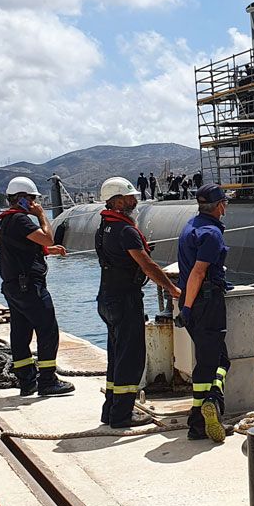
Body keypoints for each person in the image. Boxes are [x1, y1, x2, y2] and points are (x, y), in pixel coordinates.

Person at [95, 177, 183, 428]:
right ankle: (122, 415)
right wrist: (172, 289)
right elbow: (148, 266)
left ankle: (111, 409)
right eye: (130, 198)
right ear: (117, 201)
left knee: (116, 356)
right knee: (131, 358)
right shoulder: (126, 231)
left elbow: (119, 258)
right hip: (125, 300)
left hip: (107, 298)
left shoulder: (104, 227)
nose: (135, 201)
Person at [0, 177, 75, 398]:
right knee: (48, 330)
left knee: (20, 333)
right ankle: (48, 380)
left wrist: (48, 251)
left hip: (14, 287)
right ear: (22, 199)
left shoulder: (5, 220)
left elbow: (21, 247)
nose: (35, 203)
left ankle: (27, 381)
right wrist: (41, 215)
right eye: (32, 199)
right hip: (29, 287)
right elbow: (48, 237)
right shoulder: (20, 219)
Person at [178, 184, 233, 442]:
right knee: (213, 363)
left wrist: (185, 305)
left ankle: (204, 410)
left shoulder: (189, 226)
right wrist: (188, 308)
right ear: (220, 206)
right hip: (206, 303)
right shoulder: (211, 234)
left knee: (215, 359)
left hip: (191, 299)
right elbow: (199, 272)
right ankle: (203, 415)